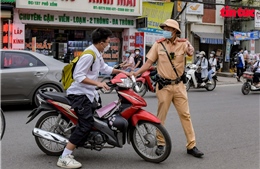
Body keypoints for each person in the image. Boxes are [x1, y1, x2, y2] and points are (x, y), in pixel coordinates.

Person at [57, 28, 129, 169]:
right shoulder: (89, 55)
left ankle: (82, 140)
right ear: (101, 42)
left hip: (90, 93)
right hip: (79, 94)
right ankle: (64, 156)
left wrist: (120, 71)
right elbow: (78, 76)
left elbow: (104, 68)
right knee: (86, 124)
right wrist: (98, 83)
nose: (108, 45)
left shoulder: (97, 53)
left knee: (96, 118)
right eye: (108, 42)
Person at [131, 19, 204, 158]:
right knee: (160, 117)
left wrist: (190, 49)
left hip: (179, 86)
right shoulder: (158, 45)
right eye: (164, 28)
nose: (165, 30)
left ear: (175, 31)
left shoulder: (183, 44)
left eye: (168, 28)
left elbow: (190, 52)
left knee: (185, 116)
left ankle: (191, 145)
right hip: (164, 87)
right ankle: (160, 144)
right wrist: (136, 72)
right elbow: (148, 63)